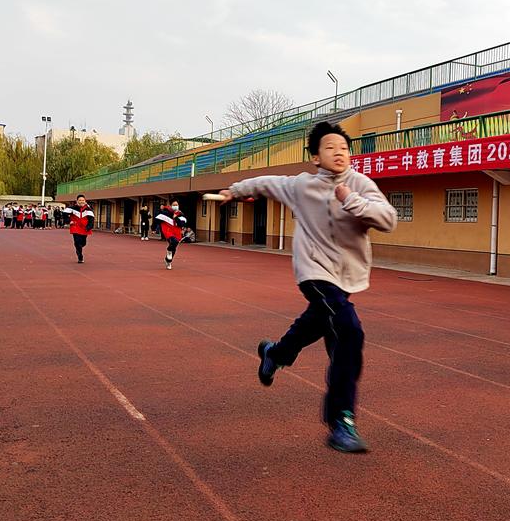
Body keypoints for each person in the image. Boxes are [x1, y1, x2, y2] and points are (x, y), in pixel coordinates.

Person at [220, 121, 397, 453]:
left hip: (347, 277)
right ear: (316, 157)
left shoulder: (360, 184)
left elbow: (388, 219)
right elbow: (267, 183)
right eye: (330, 148)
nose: (339, 153)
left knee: (327, 323)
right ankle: (342, 421)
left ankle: (277, 353)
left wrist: (352, 202)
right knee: (350, 331)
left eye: (344, 148)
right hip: (314, 272)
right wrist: (236, 189)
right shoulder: (302, 186)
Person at [155, 200, 188, 270]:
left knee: (174, 247)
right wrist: (153, 228)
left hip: (177, 232)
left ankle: (168, 261)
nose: (175, 206)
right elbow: (157, 220)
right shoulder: (165, 212)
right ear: (170, 205)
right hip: (168, 231)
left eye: (177, 204)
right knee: (173, 241)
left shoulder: (180, 214)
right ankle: (169, 250)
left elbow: (182, 224)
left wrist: (175, 217)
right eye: (174, 204)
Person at [65, 195, 94, 263]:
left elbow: (91, 219)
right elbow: (64, 214)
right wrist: (69, 221)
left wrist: (89, 227)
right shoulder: (72, 208)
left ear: (85, 201)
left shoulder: (88, 209)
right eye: (80, 200)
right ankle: (80, 256)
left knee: (83, 243)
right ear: (77, 201)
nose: (81, 201)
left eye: (83, 200)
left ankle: (79, 247)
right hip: (75, 227)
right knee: (77, 242)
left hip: (84, 228)